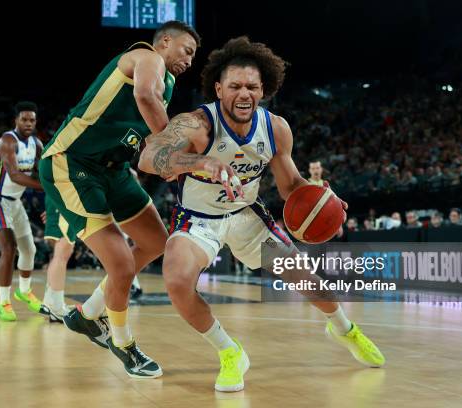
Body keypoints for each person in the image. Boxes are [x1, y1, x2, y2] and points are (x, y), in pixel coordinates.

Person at [139, 36, 385, 392]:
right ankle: (230, 352)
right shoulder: (195, 124)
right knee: (177, 281)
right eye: (235, 86)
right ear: (219, 89)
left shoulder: (275, 129)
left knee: (307, 280)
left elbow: (290, 186)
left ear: (263, 89)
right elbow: (148, 157)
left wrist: (321, 199)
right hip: (198, 219)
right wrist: (200, 162)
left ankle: (344, 328)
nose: (244, 94)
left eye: (252, 87)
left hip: (246, 217)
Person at [39, 21, 200, 378]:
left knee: (157, 242)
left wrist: (165, 162)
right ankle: (123, 343)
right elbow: (144, 98)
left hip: (113, 170)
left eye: (194, 56)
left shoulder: (168, 85)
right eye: (186, 50)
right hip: (72, 163)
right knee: (123, 266)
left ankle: (87, 315)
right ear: (166, 42)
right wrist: (180, 153)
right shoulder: (146, 57)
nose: (189, 60)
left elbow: (144, 139)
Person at [0, 101, 46, 321]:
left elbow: (45, 174)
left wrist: (51, 203)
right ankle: (3, 304)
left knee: (30, 250)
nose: (28, 123)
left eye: (32, 120)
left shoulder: (37, 144)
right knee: (9, 247)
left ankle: (24, 291)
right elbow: (16, 176)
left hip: (15, 202)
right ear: (16, 120)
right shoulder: (7, 141)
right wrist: (47, 186)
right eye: (24, 119)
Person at [41, 195, 75, 322]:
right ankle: (56, 308)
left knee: (64, 252)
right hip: (63, 196)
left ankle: (50, 302)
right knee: (62, 252)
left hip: (64, 198)